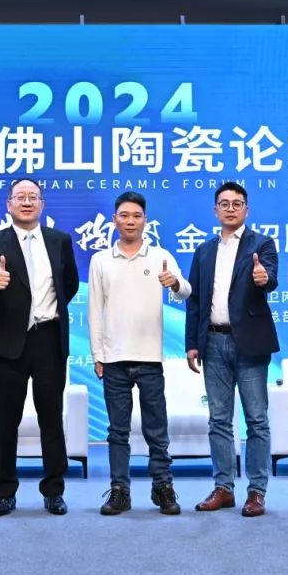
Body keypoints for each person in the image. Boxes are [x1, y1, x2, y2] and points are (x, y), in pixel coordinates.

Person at [0, 178, 79, 517]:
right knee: (7, 419)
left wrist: (47, 311)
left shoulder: (60, 240)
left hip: (49, 339)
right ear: (8, 204)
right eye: (19, 197)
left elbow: (69, 283)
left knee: (51, 418)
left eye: (32, 196)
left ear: (42, 204)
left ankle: (54, 490)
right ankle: (4, 491)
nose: (26, 202)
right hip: (9, 342)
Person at [88, 191, 191, 516]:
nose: (130, 221)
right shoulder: (101, 260)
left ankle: (162, 486)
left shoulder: (160, 255)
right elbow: (95, 310)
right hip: (114, 359)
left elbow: (185, 291)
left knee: (156, 430)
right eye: (124, 215)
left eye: (136, 216)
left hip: (150, 358)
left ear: (145, 220)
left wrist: (174, 283)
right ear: (115, 220)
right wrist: (97, 354)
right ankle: (120, 490)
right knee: (117, 431)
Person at [184, 182, 279, 517]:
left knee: (256, 419)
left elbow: (271, 279)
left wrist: (263, 277)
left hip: (250, 342)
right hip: (212, 342)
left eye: (237, 204)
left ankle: (256, 491)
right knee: (219, 419)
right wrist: (192, 343)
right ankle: (223, 487)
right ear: (215, 210)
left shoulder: (262, 244)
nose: (230, 209)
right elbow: (195, 300)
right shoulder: (204, 250)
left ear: (246, 210)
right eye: (224, 203)